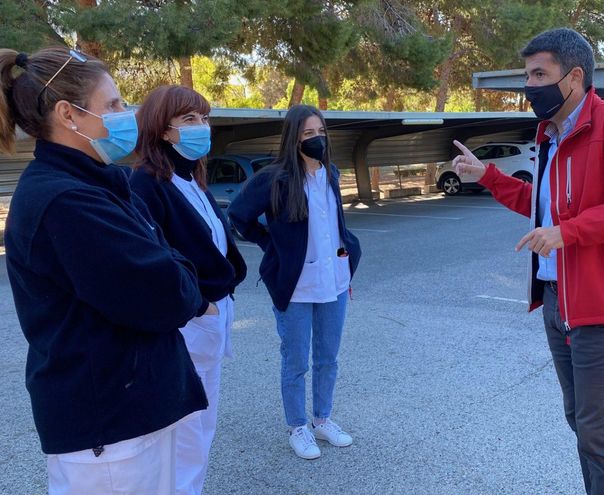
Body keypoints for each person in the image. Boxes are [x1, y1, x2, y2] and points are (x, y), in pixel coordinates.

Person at [451, 28, 604, 494]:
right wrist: (487, 175)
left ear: (574, 76)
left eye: (538, 74)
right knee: (582, 421)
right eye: (527, 75)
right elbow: (544, 206)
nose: (529, 86)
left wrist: (569, 233)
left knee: (600, 432)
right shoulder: (550, 134)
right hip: (557, 301)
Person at [0, 47, 209, 494]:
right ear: (68, 115)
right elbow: (168, 294)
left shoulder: (97, 183)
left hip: (132, 413)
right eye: (112, 105)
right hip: (111, 431)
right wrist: (181, 273)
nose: (125, 114)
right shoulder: (67, 201)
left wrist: (176, 268)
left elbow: (168, 266)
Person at [129, 85, 247, 494]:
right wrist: (201, 307)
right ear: (163, 130)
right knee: (185, 431)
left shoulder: (191, 179)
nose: (203, 127)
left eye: (204, 118)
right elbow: (152, 263)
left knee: (202, 423)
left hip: (210, 318)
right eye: (190, 120)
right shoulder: (146, 184)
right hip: (188, 323)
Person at [228, 105, 361, 460]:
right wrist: (272, 244)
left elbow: (334, 225)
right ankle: (298, 427)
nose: (316, 139)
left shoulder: (330, 173)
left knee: (328, 358)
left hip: (334, 282)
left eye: (320, 132)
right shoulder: (274, 178)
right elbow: (238, 215)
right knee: (296, 360)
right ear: (293, 139)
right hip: (296, 287)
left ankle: (322, 419)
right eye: (307, 134)